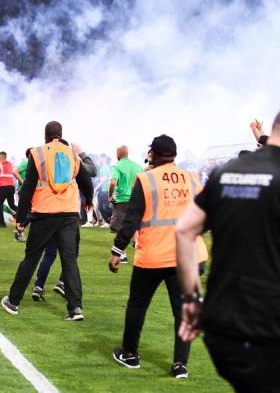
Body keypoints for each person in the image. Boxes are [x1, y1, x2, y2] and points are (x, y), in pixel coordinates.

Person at [176, 112, 280, 391]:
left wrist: (191, 299)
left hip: (224, 329)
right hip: (269, 328)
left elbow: (184, 230)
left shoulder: (228, 171)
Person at [108, 135, 208, 379]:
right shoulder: (193, 179)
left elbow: (131, 218)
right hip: (187, 256)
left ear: (153, 154)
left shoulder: (146, 179)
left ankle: (130, 354)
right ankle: (180, 364)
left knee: (138, 305)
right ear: (173, 154)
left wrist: (117, 250)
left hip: (153, 255)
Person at [1, 121, 93, 321]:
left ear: (46, 135)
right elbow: (86, 180)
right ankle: (75, 308)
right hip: (69, 213)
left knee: (31, 258)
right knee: (69, 262)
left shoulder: (38, 153)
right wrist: (90, 200)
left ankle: (13, 302)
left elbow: (28, 187)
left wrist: (21, 218)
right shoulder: (72, 154)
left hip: (44, 213)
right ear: (60, 135)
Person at [108, 146, 143, 240]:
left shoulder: (117, 166)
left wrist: (110, 196)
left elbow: (112, 183)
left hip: (122, 200)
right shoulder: (138, 166)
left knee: (118, 227)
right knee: (134, 225)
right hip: (135, 199)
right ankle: (136, 244)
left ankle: (121, 254)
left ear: (119, 153)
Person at [0, 151, 22, 228]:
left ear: (0, 156)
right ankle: (24, 215)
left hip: (3, 187)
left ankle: (2, 223)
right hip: (11, 187)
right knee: (12, 205)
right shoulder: (10, 164)